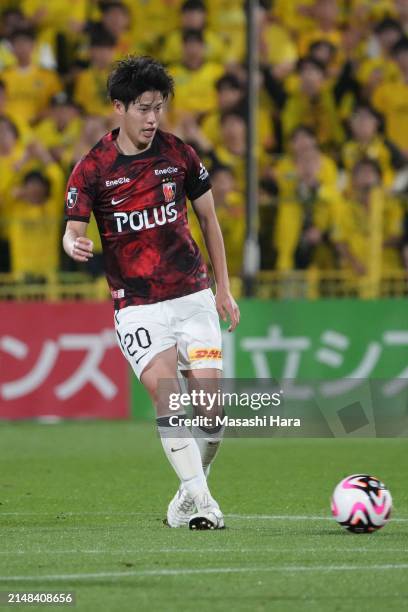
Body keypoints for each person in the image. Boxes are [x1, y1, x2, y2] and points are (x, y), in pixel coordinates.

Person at [63, 55, 240, 530]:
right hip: (138, 308)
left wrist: (223, 289)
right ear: (117, 107)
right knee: (169, 398)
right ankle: (204, 503)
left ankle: (189, 489)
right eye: (143, 108)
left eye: (158, 108)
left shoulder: (179, 155)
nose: (151, 118)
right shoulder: (93, 168)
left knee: (211, 410)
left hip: (192, 297)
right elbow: (72, 227)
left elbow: (209, 221)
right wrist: (73, 242)